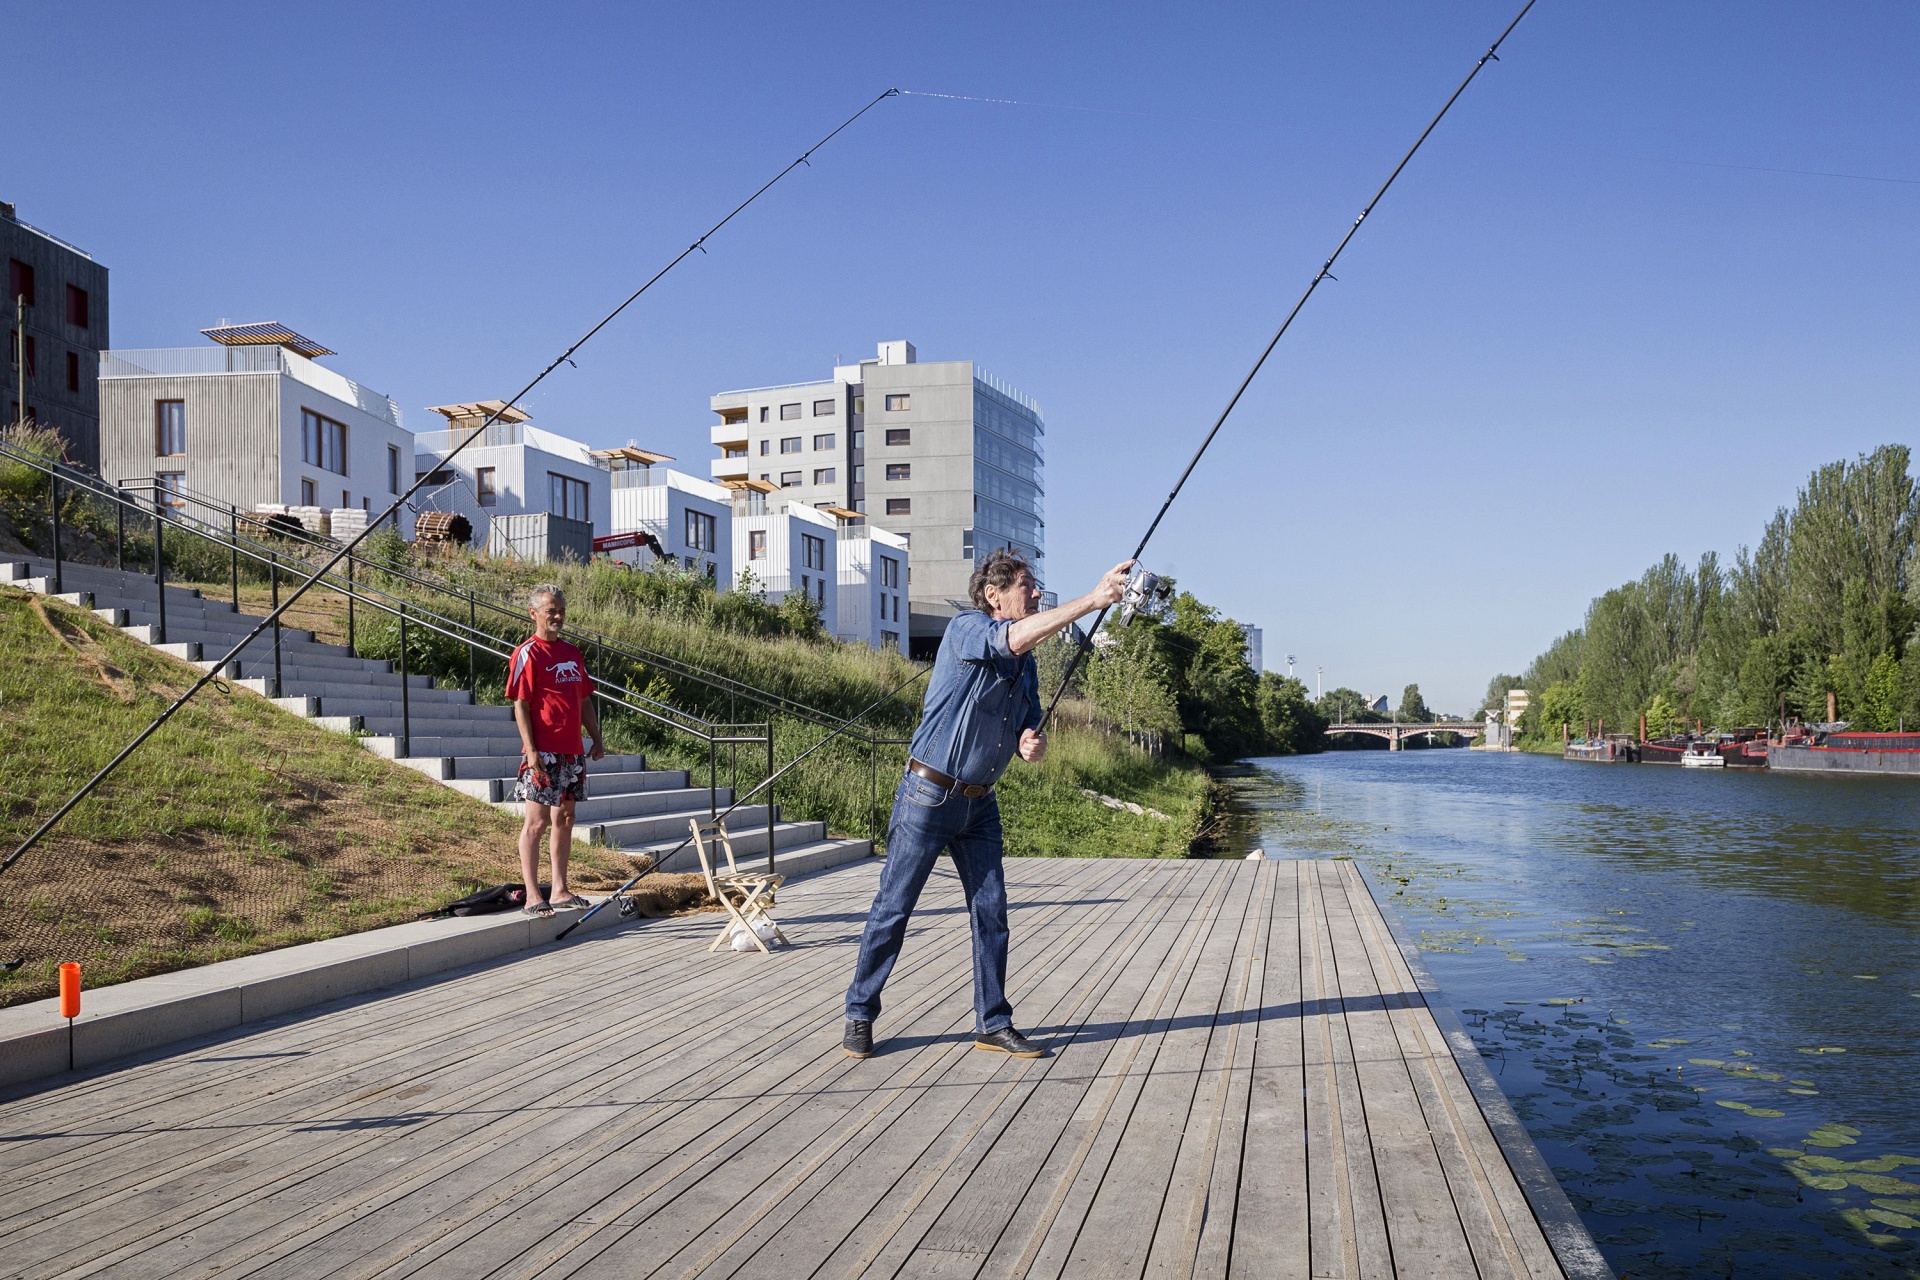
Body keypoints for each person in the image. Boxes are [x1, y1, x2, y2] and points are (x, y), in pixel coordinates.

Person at [843, 549, 1133, 1059]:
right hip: (929, 795)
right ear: (994, 594)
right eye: (1027, 585)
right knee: (894, 908)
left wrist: (1030, 742)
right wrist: (1093, 600)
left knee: (991, 912)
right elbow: (1011, 637)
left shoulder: (1028, 666)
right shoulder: (966, 628)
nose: (1037, 592)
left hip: (980, 806)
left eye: (1035, 585)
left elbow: (1027, 721)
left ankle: (992, 1022)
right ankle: (860, 1014)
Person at [506, 583, 605, 917]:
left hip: (572, 751)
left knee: (565, 817)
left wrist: (596, 737)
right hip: (543, 752)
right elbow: (520, 704)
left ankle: (560, 890)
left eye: (561, 610)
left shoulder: (572, 653)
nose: (558, 616)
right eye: (551, 611)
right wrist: (531, 751)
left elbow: (584, 698)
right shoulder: (527, 653)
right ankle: (534, 895)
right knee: (536, 824)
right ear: (534, 613)